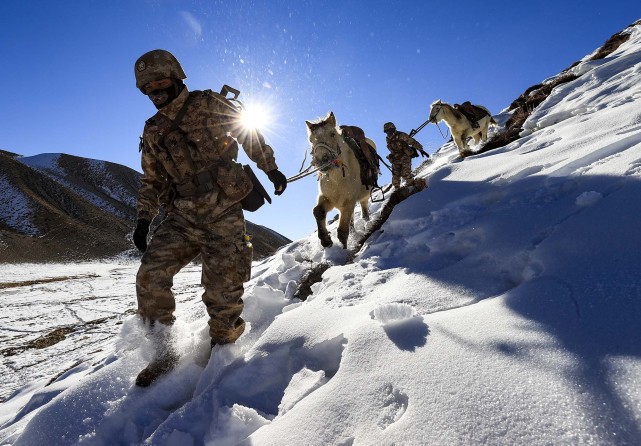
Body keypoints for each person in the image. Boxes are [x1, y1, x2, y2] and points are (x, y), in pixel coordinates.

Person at [132, 49, 287, 387]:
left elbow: (248, 134)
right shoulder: (152, 130)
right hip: (182, 217)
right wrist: (144, 218)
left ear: (175, 78)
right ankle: (164, 353)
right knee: (150, 276)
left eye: (161, 83)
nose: (157, 93)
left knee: (223, 292)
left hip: (222, 211)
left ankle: (223, 355)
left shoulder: (207, 103)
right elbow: (152, 180)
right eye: (149, 89)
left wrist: (270, 168)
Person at [383, 122, 427, 188]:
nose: (388, 133)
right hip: (395, 159)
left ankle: (412, 187)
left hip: (405, 157)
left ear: (393, 129)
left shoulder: (401, 135)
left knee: (406, 174)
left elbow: (412, 142)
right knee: (395, 177)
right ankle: (397, 191)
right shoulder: (388, 139)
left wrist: (421, 150)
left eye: (389, 130)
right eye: (387, 131)